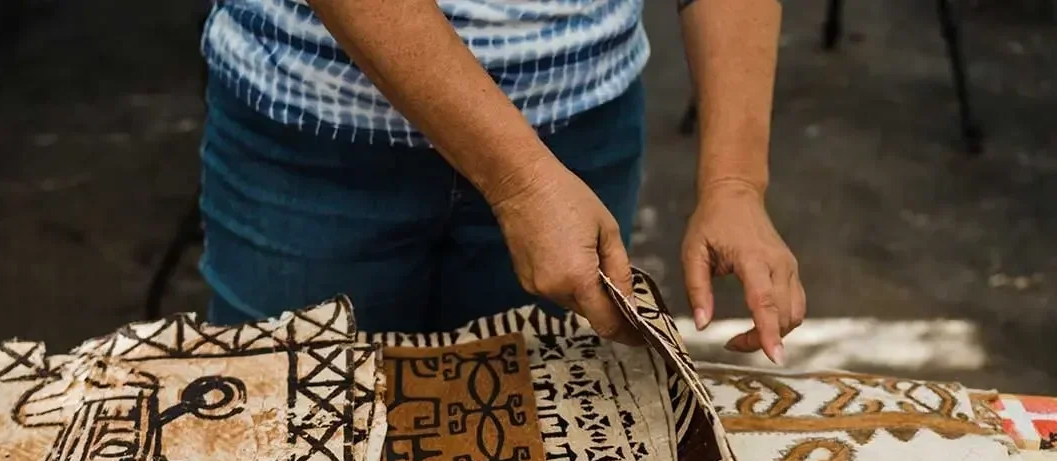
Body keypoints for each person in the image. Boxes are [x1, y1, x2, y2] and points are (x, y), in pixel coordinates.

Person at [200, 0, 805, 361]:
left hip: (580, 128)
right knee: (283, 459)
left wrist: (735, 182)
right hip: (314, 126)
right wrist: (520, 181)